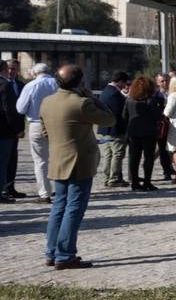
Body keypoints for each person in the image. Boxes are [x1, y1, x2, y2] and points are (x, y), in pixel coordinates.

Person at [39, 64, 115, 268]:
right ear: (81, 82)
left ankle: (51, 252)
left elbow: (45, 132)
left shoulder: (47, 102)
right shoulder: (81, 103)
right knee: (73, 208)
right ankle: (65, 255)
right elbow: (109, 118)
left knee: (58, 207)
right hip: (79, 161)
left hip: (58, 159)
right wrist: (93, 98)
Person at [16, 62, 59, 203]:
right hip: (58, 124)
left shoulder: (30, 86)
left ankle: (44, 193)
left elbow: (21, 108)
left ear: (35, 73)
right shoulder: (57, 83)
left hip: (36, 123)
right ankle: (60, 189)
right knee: (59, 157)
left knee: (40, 160)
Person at [122, 76, 163, 191]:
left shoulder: (129, 100)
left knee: (134, 157)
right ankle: (147, 181)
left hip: (133, 132)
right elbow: (157, 116)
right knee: (148, 158)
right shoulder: (151, 100)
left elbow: (124, 116)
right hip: (149, 132)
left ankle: (134, 182)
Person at [97, 71, 130, 188]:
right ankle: (114, 178)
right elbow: (119, 114)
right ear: (120, 81)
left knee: (108, 154)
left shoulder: (105, 91)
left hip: (104, 129)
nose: (125, 86)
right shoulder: (115, 94)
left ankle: (108, 177)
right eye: (125, 83)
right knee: (117, 154)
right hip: (115, 129)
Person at [0, 63, 21, 204]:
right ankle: (2, 191)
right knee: (3, 163)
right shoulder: (5, 85)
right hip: (4, 131)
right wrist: (17, 129)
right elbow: (9, 110)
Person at [153, 72, 174, 181]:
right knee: (163, 149)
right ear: (157, 83)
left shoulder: (175, 93)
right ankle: (167, 171)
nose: (165, 83)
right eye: (162, 81)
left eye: (166, 80)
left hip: (175, 125)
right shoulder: (155, 95)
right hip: (162, 125)